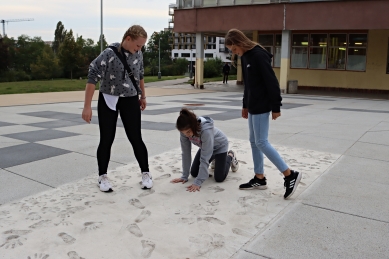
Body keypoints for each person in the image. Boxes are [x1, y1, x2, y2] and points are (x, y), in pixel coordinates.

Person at [225, 28, 302, 199]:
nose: (235, 53)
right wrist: (245, 105)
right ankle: (259, 178)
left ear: (239, 43)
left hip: (262, 105)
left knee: (261, 142)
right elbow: (248, 85)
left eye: (234, 49)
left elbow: (272, 82)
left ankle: (290, 175)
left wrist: (276, 106)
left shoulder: (258, 55)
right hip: (252, 105)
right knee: (254, 142)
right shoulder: (245, 57)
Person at [82, 25, 153, 192]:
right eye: (138, 45)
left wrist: (142, 96)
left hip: (130, 98)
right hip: (109, 98)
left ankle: (146, 173)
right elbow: (92, 78)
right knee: (107, 139)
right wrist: (87, 106)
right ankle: (102, 176)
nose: (139, 49)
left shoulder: (139, 54)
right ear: (128, 39)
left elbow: (140, 75)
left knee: (136, 137)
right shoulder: (109, 54)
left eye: (142, 46)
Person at [171, 108, 239, 192]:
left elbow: (204, 158)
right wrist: (184, 176)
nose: (187, 135)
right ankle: (215, 159)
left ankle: (230, 156)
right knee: (194, 173)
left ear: (193, 126)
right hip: (206, 148)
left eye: (188, 132)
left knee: (219, 178)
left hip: (220, 146)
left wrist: (198, 182)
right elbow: (186, 153)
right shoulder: (184, 132)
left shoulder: (205, 131)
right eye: (184, 133)